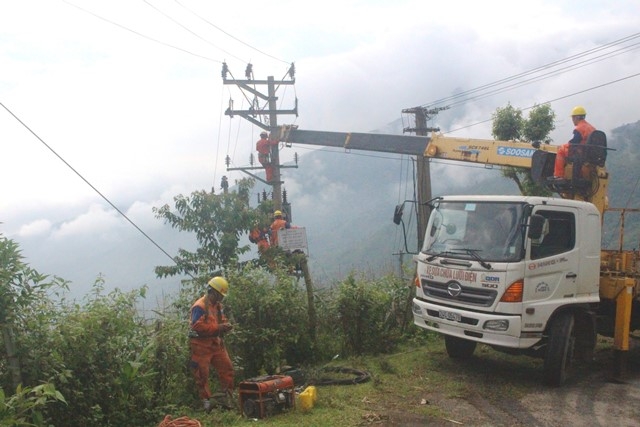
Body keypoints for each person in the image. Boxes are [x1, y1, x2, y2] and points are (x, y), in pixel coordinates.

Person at [188, 276, 235, 412]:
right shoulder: (200, 306)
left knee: (227, 369)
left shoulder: (217, 306)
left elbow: (220, 319)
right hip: (201, 346)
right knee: (202, 375)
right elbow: (197, 326)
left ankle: (227, 398)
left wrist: (225, 325)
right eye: (220, 295)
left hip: (216, 344)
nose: (222, 298)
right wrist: (218, 328)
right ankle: (207, 402)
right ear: (213, 292)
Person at [549, 106, 596, 181]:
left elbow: (574, 142)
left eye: (572, 118)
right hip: (589, 153)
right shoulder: (592, 128)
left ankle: (558, 175)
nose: (572, 120)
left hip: (581, 152)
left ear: (576, 117)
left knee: (561, 150)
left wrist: (565, 145)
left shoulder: (580, 128)